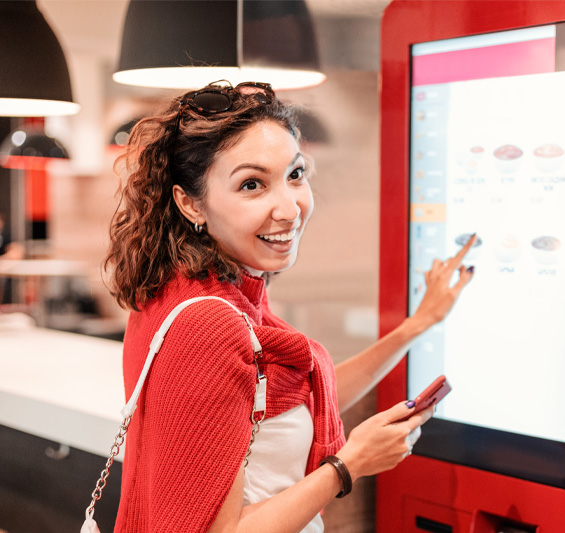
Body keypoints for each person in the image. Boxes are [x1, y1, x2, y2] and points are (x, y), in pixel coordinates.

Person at [103, 81, 476, 532]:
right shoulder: (210, 323)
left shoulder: (193, 289)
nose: (289, 208)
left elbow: (297, 393)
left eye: (295, 175)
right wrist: (349, 465)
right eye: (252, 184)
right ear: (190, 202)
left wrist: (418, 325)